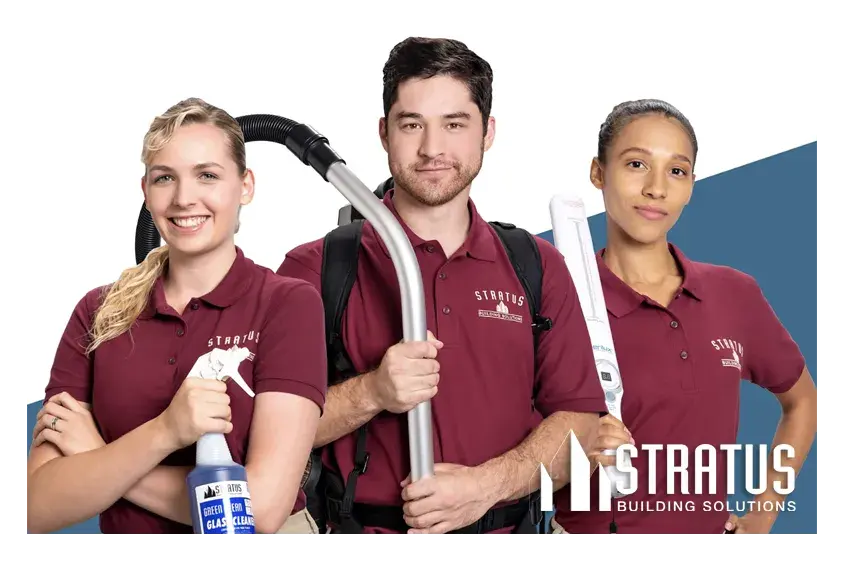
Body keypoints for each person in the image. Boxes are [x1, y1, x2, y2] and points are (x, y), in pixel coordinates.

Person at [277, 36, 607, 536]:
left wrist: (485, 487)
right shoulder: (317, 269)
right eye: (412, 125)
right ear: (384, 133)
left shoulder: (536, 266)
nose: (432, 149)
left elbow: (580, 425)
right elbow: (267, 432)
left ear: (486, 133)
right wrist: (373, 391)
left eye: (454, 124)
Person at [24, 98, 328, 536]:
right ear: (146, 192)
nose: (185, 198)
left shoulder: (288, 304)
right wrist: (164, 433)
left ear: (245, 186)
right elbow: (38, 507)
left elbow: (260, 510)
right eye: (165, 178)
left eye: (207, 175)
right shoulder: (97, 312)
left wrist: (98, 458)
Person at [551, 99, 820, 536]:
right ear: (598, 172)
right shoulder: (557, 298)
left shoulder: (734, 293)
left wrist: (762, 515)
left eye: (676, 171)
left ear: (693, 183)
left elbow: (803, 401)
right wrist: (572, 446)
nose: (657, 188)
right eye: (636, 164)